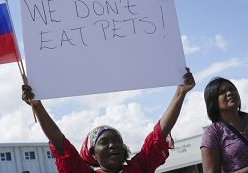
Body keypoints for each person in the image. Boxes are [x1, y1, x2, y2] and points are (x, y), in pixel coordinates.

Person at [22, 68, 195, 173]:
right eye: (104, 142)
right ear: (93, 153)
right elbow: (60, 143)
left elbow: (159, 134)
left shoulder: (138, 168)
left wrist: (180, 93)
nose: (113, 145)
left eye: (117, 141)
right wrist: (37, 105)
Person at [201, 77, 248, 173]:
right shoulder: (212, 133)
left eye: (232, 89)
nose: (230, 93)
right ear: (213, 101)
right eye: (222, 92)